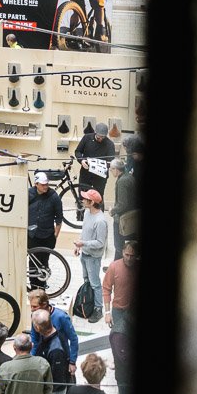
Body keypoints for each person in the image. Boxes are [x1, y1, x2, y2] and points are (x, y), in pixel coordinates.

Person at [102, 241, 138, 394]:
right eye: (126, 254)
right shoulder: (115, 267)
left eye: (132, 255)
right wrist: (108, 312)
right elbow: (106, 289)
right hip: (126, 377)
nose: (129, 258)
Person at [74, 189, 109, 320]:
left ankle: (98, 309)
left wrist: (83, 243)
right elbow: (84, 232)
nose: (82, 200)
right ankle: (88, 303)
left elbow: (100, 243)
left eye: (85, 198)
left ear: (92, 202)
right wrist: (78, 245)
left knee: (95, 283)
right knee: (87, 280)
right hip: (84, 253)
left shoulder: (100, 221)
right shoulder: (88, 213)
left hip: (93, 257)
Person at [27, 172, 64, 288]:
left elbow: (59, 218)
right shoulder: (28, 194)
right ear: (36, 184)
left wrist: (55, 235)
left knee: (43, 261)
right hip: (32, 234)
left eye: (46, 184)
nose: (45, 187)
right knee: (32, 262)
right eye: (43, 185)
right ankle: (34, 288)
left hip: (47, 235)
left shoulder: (54, 197)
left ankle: (42, 285)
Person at [109, 135, 142, 260]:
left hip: (122, 219)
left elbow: (122, 203)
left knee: (118, 245)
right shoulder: (128, 176)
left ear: (117, 170)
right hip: (131, 215)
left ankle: (117, 266)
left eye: (112, 169)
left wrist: (112, 211)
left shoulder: (122, 181)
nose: (111, 172)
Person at [74, 123, 116, 199]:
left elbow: (111, 161)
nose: (101, 139)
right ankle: (81, 210)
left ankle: (98, 210)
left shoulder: (109, 144)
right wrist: (82, 160)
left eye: (103, 137)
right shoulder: (87, 138)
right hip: (86, 173)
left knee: (98, 198)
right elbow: (78, 151)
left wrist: (100, 165)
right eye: (99, 137)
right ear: (95, 133)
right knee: (82, 196)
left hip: (100, 176)